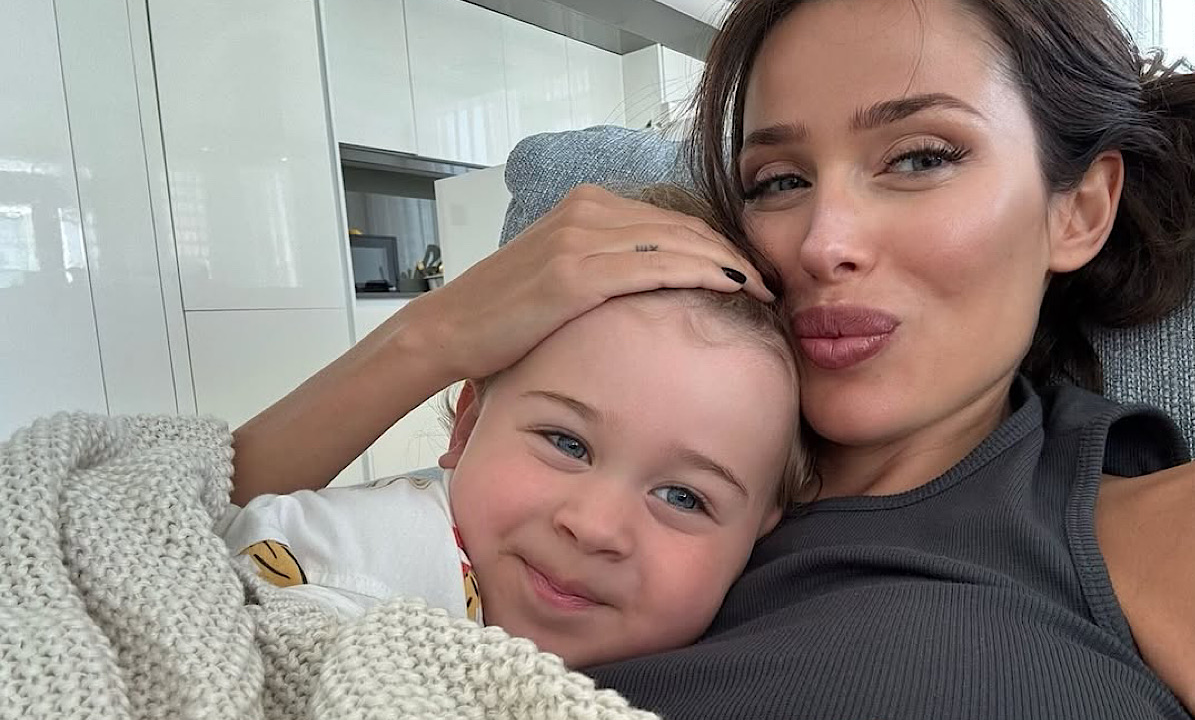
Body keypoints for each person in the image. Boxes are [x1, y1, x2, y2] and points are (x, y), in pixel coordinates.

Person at [229, 0, 1195, 720]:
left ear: (1078, 208)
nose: (823, 241)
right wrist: (432, 336)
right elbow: (191, 562)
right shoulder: (514, 495)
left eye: (919, 157)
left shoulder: (1148, 530)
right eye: (778, 180)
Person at [220, 260, 807, 669]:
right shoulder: (361, 569)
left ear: (759, 539)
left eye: (683, 497)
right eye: (566, 444)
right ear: (467, 427)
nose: (595, 526)